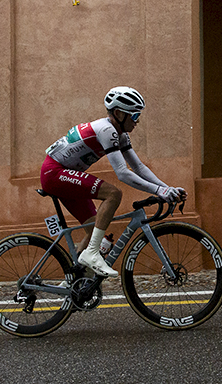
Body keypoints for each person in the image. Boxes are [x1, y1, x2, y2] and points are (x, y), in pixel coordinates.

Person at [40, 86, 187, 278]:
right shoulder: (107, 130)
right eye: (134, 116)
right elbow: (123, 174)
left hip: (65, 174)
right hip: (54, 173)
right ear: (119, 113)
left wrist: (167, 189)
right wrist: (160, 191)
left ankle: (72, 284)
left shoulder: (120, 134)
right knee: (113, 193)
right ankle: (92, 253)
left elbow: (139, 168)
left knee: (95, 231)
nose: (138, 121)